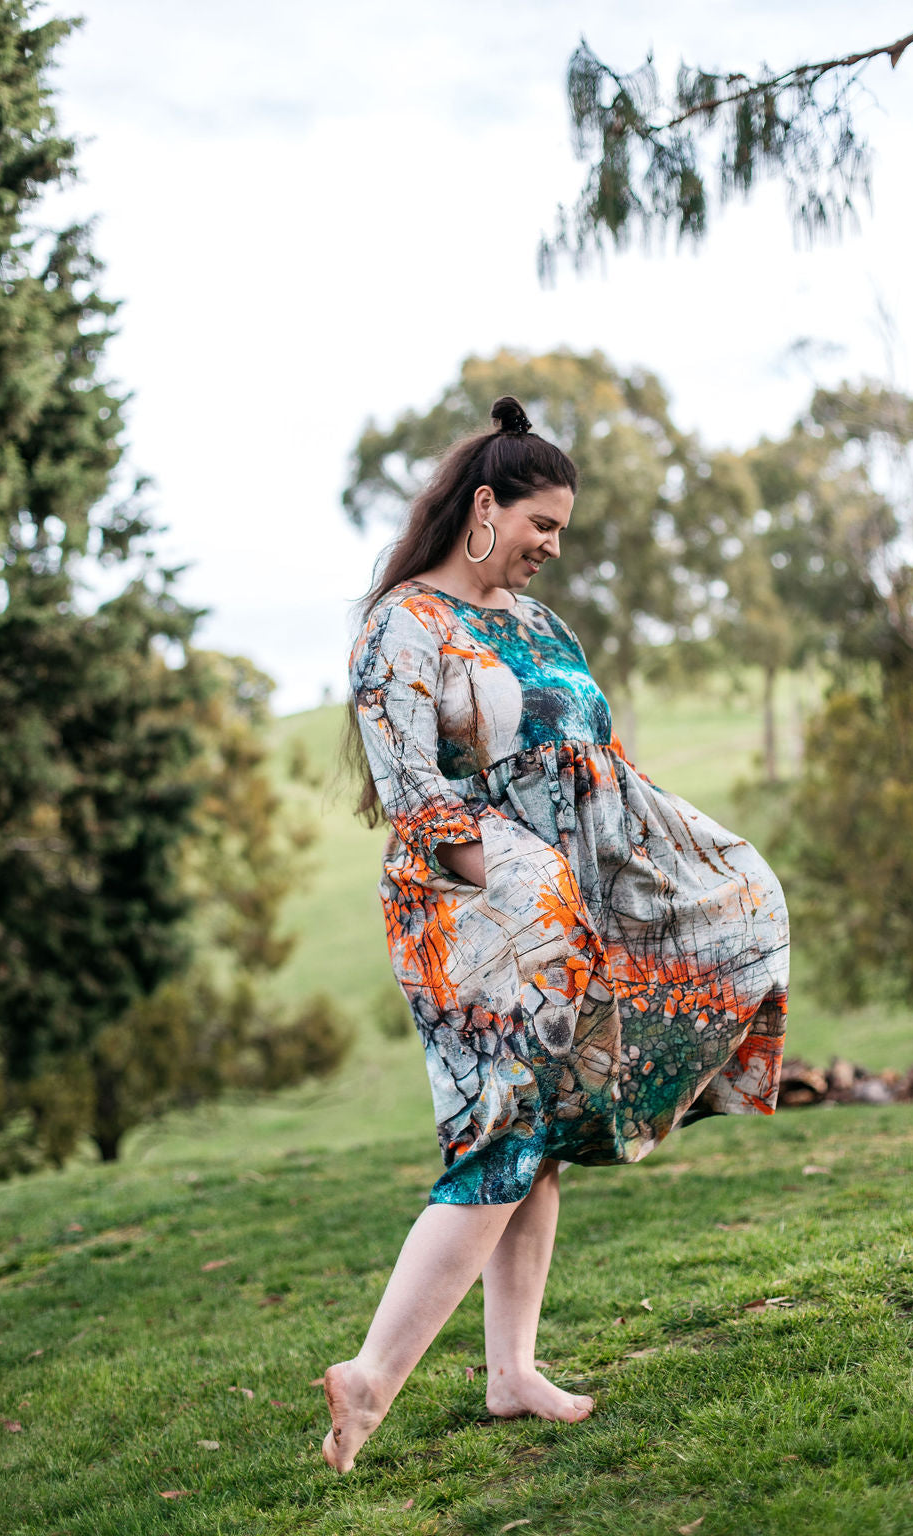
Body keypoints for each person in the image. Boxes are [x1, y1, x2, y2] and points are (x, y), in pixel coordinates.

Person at [326, 395, 789, 1472]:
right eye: (542, 525)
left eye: (563, 533)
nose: (551, 548)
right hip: (472, 908)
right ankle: (371, 1377)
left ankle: (509, 1373)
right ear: (484, 507)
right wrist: (527, 889)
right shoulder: (402, 628)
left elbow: (597, 761)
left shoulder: (539, 628)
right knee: (501, 1131)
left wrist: (689, 859)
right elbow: (411, 793)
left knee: (535, 1143)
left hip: (567, 897)